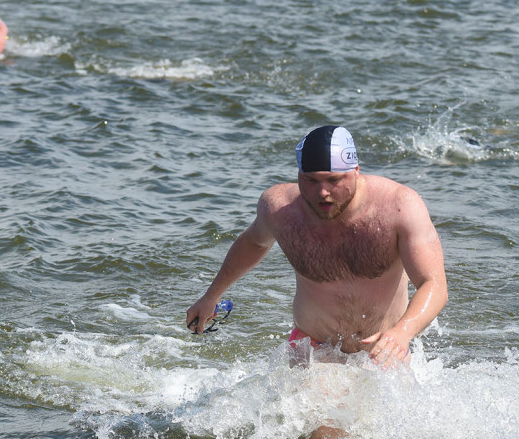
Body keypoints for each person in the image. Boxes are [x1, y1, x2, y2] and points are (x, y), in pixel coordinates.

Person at [187, 125, 448, 371]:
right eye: (311, 180)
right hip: (312, 347)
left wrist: (402, 332)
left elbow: (433, 284)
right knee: (322, 420)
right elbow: (254, 242)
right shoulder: (280, 209)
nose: (322, 192)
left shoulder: (399, 206)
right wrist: (211, 295)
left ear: (356, 170)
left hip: (383, 349)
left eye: (333, 180)